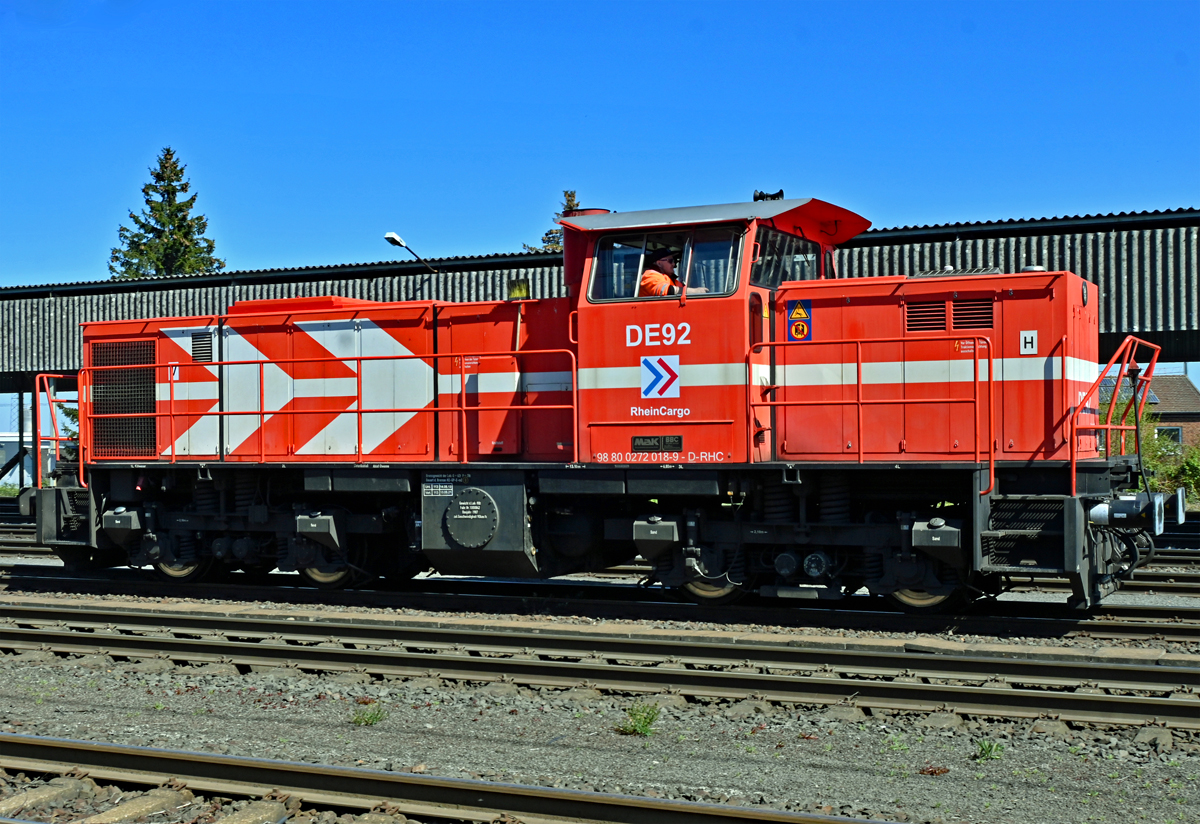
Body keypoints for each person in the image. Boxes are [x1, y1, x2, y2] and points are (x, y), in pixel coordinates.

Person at [638, 248, 708, 297]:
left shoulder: (670, 279)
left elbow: (682, 289)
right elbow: (665, 290)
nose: (673, 264)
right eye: (670, 261)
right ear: (659, 263)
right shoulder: (650, 275)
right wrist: (694, 291)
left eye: (674, 261)